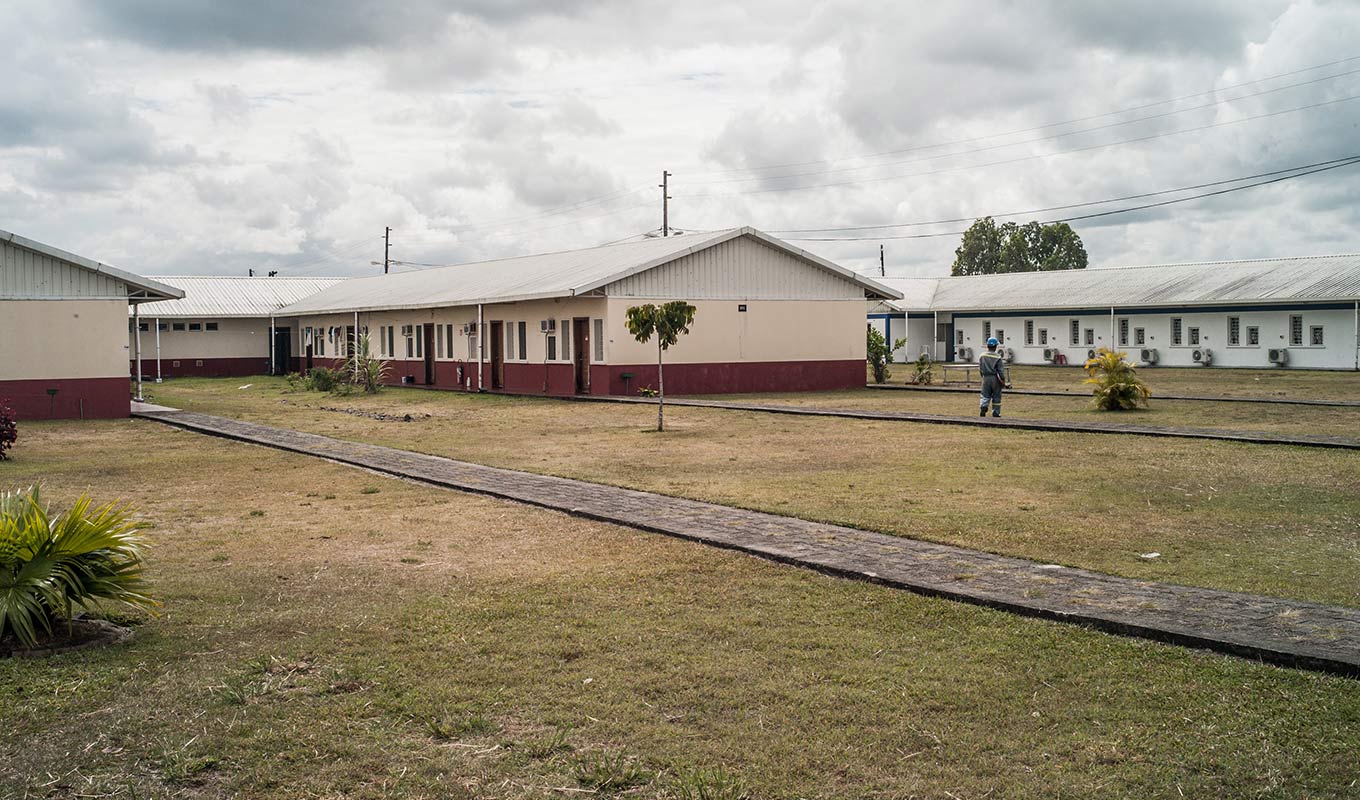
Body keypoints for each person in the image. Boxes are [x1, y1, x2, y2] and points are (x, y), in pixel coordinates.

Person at [978, 337, 1010, 417]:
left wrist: (982, 376)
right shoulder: (998, 357)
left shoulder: (982, 356)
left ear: (987, 346)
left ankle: (983, 407)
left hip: (985, 377)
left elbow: (980, 368)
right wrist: (1003, 380)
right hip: (995, 378)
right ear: (995, 346)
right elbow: (1001, 371)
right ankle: (996, 412)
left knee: (985, 394)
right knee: (996, 395)